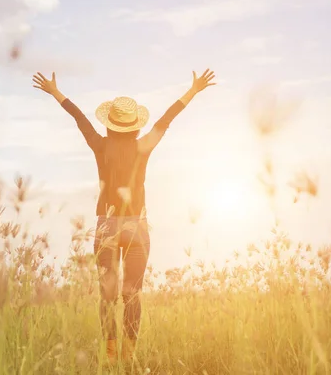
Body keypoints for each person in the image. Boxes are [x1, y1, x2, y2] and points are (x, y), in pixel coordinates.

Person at [32, 69, 216, 365]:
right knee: (132, 294)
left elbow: (80, 120)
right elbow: (165, 120)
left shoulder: (101, 145)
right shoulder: (143, 146)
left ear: (110, 125)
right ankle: (129, 357)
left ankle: (110, 354)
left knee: (107, 295)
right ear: (133, 126)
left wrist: (56, 92)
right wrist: (192, 91)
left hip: (106, 225)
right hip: (136, 227)